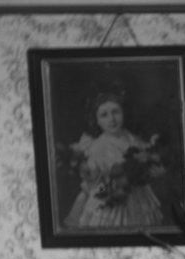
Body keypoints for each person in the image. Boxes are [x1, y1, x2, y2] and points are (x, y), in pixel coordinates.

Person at [64, 90, 165, 229]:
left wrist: (152, 171)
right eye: (104, 115)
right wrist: (111, 186)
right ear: (97, 120)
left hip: (139, 199)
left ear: (123, 112)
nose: (111, 119)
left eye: (116, 112)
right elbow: (93, 185)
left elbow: (146, 164)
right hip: (111, 201)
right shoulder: (97, 148)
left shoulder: (133, 139)